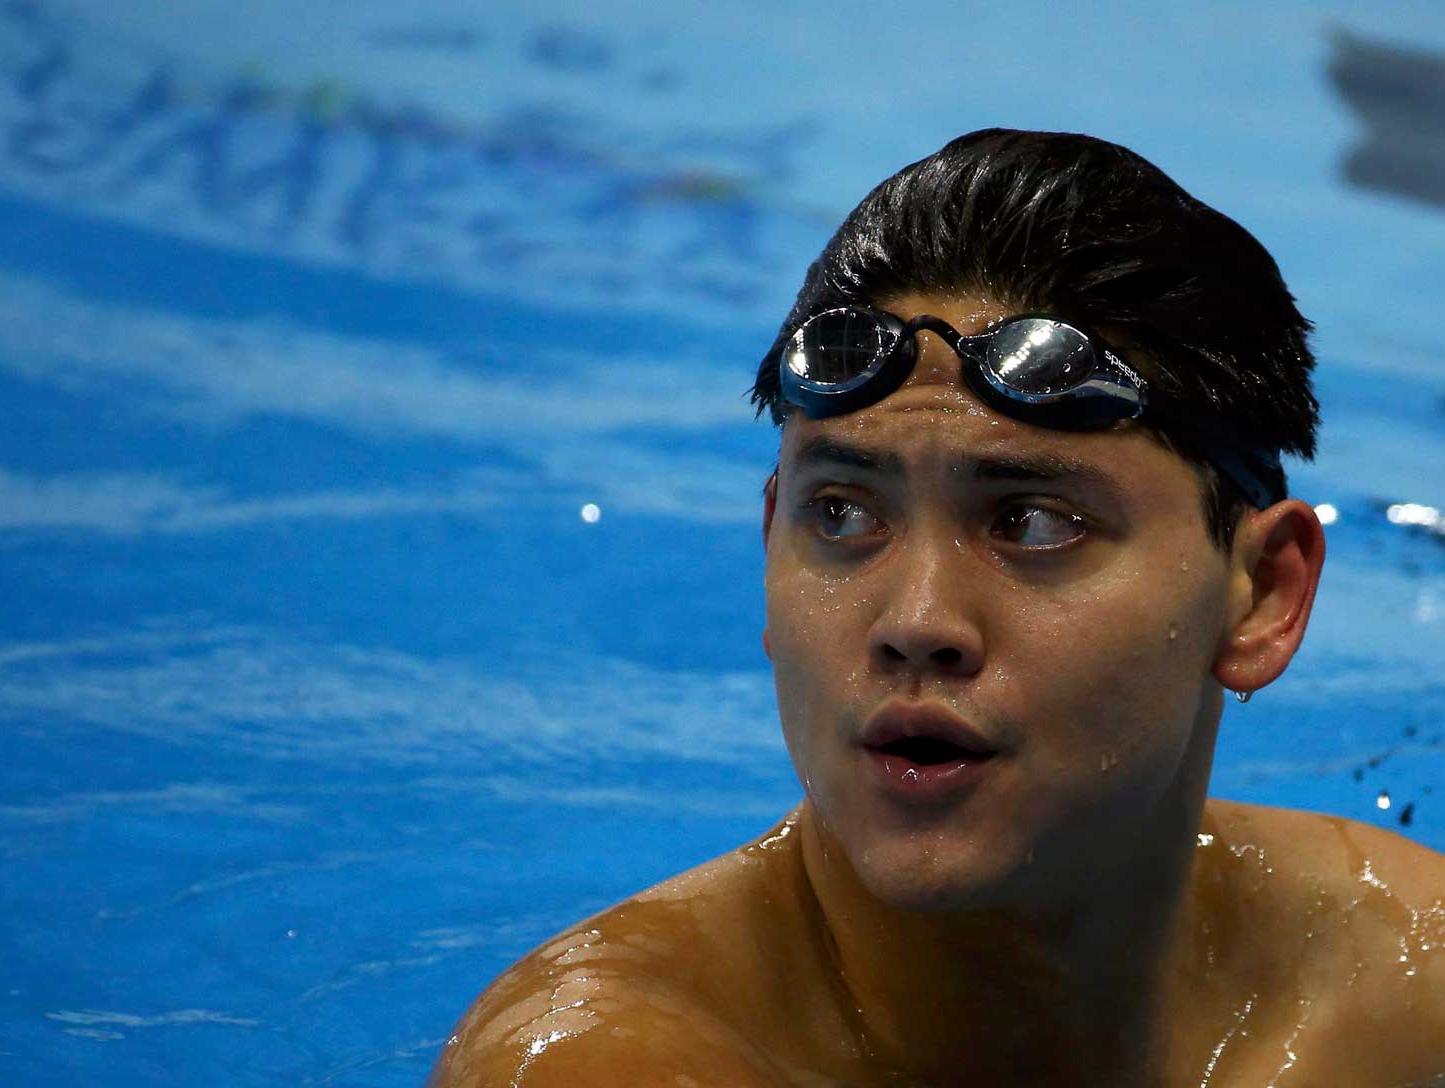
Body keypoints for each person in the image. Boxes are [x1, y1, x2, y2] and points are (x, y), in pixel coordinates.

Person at [427, 129, 1445, 1086]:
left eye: (1034, 523)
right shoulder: (610, 1057)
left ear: (1264, 594)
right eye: (840, 511)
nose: (914, 619)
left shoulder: (1402, 976)